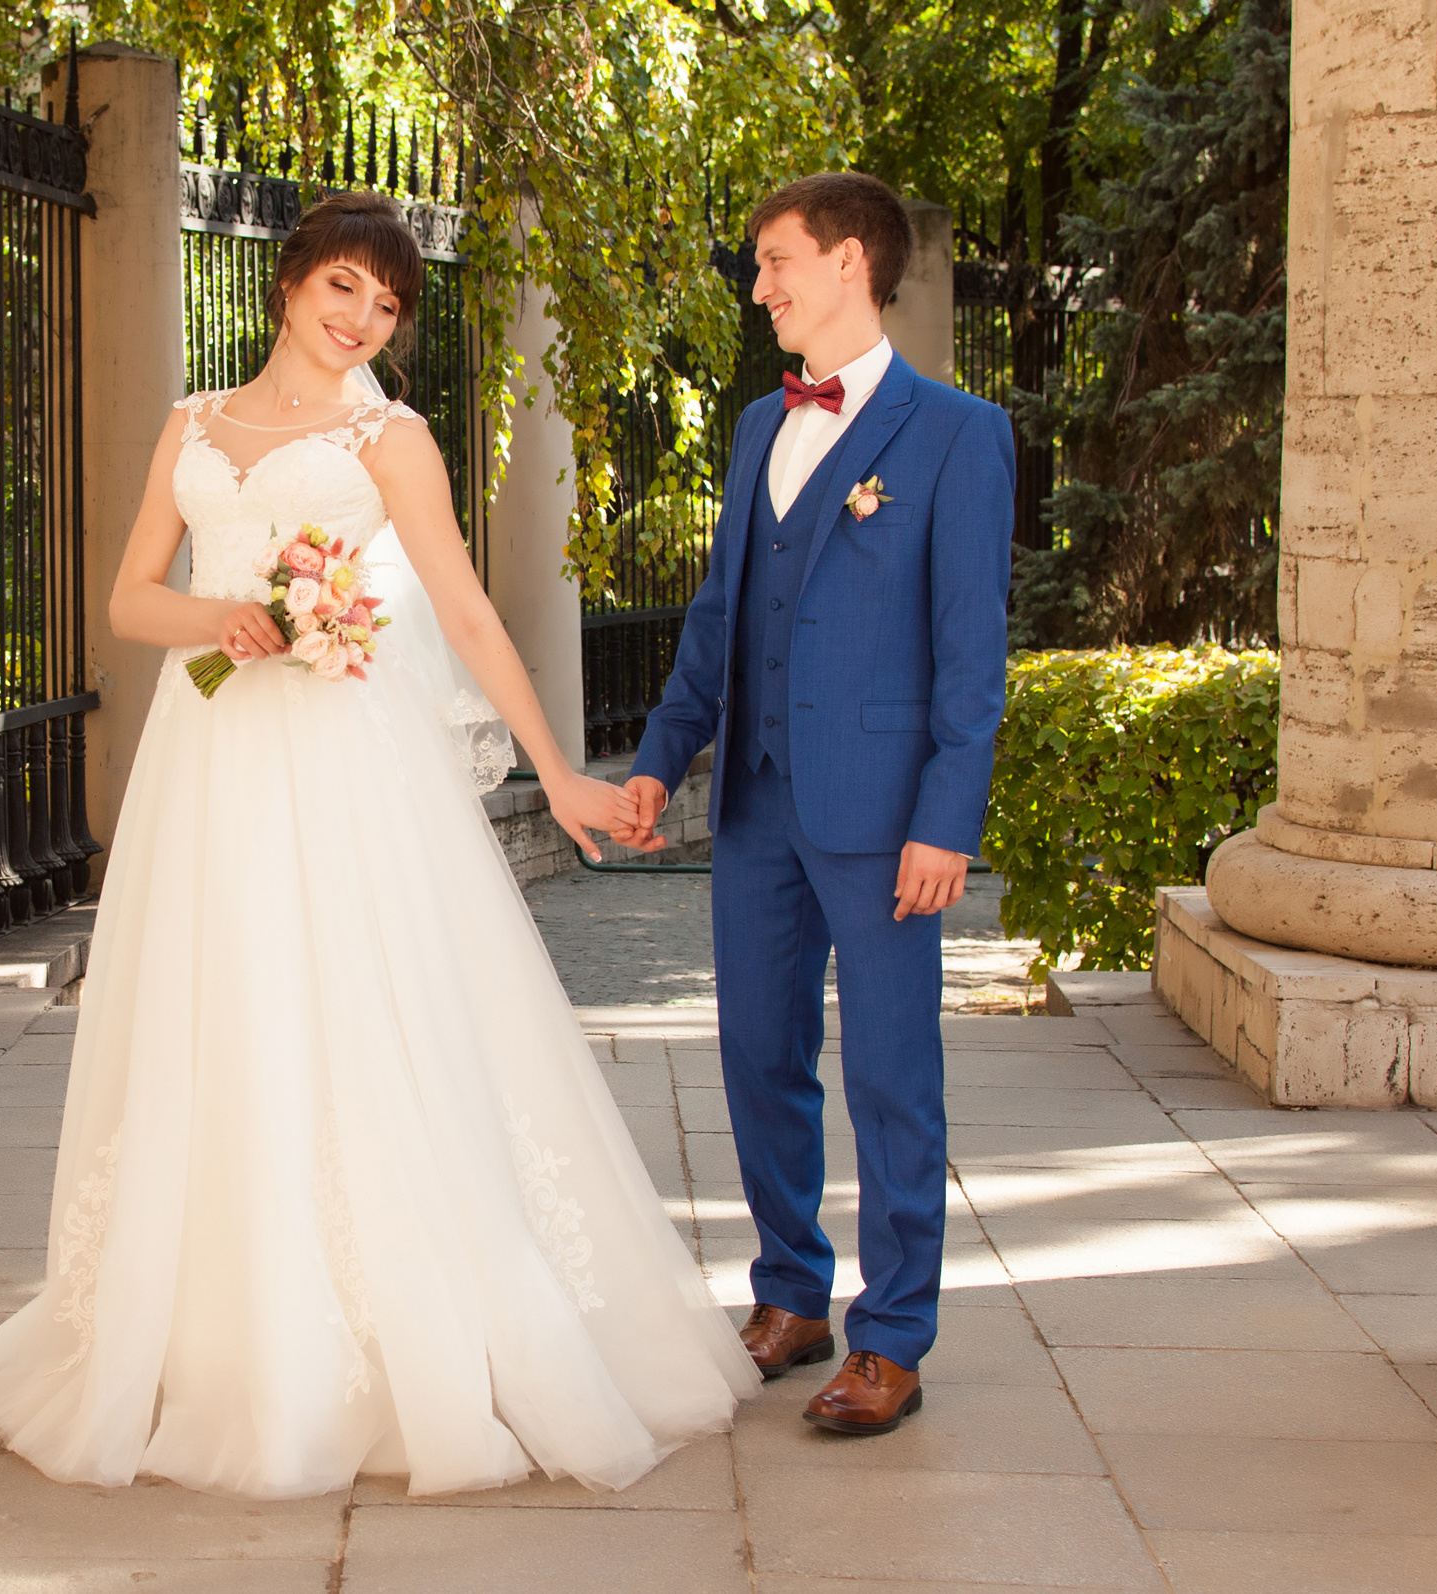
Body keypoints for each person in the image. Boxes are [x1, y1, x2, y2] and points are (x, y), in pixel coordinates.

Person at [0, 190, 760, 1498]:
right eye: (343, 291)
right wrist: (228, 615)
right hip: (212, 756)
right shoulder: (192, 423)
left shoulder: (394, 436)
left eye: (386, 304)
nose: (362, 318)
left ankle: (384, 1329)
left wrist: (559, 775)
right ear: (289, 284)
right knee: (220, 1011)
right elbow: (129, 596)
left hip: (345, 760)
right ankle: (210, 1323)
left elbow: (472, 613)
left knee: (361, 1011)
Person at [617, 172, 1014, 1435]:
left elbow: (971, 650)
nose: (760, 283)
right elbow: (719, 621)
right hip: (755, 806)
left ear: (849, 262)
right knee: (758, 1059)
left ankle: (892, 1337)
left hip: (890, 812)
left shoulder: (958, 434)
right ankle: (790, 1293)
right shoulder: (755, 428)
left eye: (775, 260)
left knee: (893, 1074)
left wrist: (949, 816)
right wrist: (659, 758)